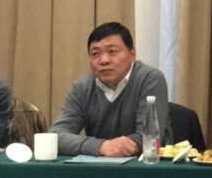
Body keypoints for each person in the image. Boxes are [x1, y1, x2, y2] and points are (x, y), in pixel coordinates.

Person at [50, 21, 169, 157]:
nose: (104, 60)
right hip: (99, 166)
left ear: (132, 53)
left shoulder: (149, 79)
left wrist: (111, 147)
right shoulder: (82, 88)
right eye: (95, 54)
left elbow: (148, 138)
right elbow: (56, 136)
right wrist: (101, 147)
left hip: (149, 165)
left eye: (112, 51)